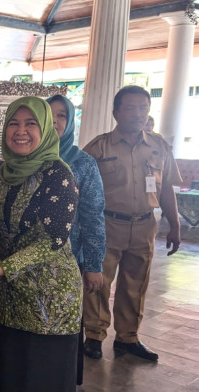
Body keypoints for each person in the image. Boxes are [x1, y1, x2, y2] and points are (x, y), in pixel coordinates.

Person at [0, 97, 81, 392]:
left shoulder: (59, 174)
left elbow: (52, 241)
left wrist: (1, 268)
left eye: (31, 123)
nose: (20, 131)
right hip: (11, 301)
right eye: (14, 123)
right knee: (15, 390)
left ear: (45, 129)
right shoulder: (4, 175)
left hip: (50, 303)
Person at [82, 85, 182, 362]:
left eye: (143, 108)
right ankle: (94, 335)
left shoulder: (159, 147)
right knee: (98, 283)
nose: (138, 114)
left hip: (144, 226)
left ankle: (128, 337)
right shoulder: (99, 147)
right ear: (116, 113)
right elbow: (82, 189)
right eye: (130, 107)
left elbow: (166, 188)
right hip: (107, 225)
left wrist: (174, 225)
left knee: (136, 283)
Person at [46, 95, 106, 381]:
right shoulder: (26, 157)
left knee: (61, 321)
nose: (55, 122)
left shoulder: (83, 164)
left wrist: (93, 264)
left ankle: (58, 384)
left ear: (70, 122)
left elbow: (94, 216)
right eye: (49, 115)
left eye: (62, 116)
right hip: (26, 261)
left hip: (68, 259)